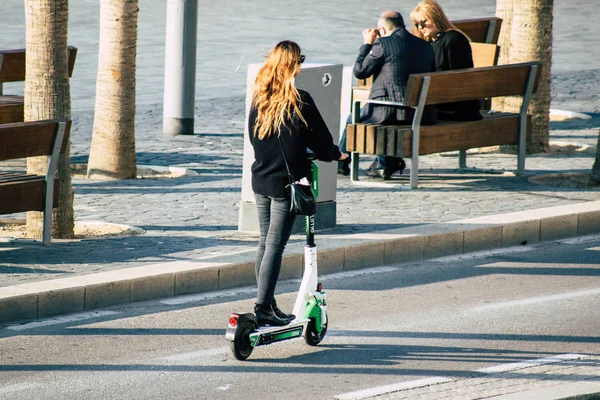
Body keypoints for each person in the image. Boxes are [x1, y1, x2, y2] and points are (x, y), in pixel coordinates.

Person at [248, 40, 348, 326]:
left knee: (265, 244)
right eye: (300, 60)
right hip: (287, 183)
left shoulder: (260, 98)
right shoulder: (300, 100)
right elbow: (320, 140)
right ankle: (263, 307)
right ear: (292, 65)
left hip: (262, 178)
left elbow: (256, 140)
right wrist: (336, 154)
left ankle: (267, 303)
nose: (302, 65)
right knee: (275, 247)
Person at [338, 10, 437, 180]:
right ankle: (385, 163)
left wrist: (367, 44)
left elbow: (360, 72)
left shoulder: (383, 44)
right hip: (420, 113)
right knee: (381, 108)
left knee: (352, 117)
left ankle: (341, 163)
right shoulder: (425, 45)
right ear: (404, 26)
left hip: (393, 111)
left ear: (382, 30)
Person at [410, 0, 483, 121]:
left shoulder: (453, 39)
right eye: (417, 24)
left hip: (456, 108)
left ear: (436, 18)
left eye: (424, 22)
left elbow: (460, 78)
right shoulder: (429, 43)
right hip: (441, 104)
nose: (420, 28)